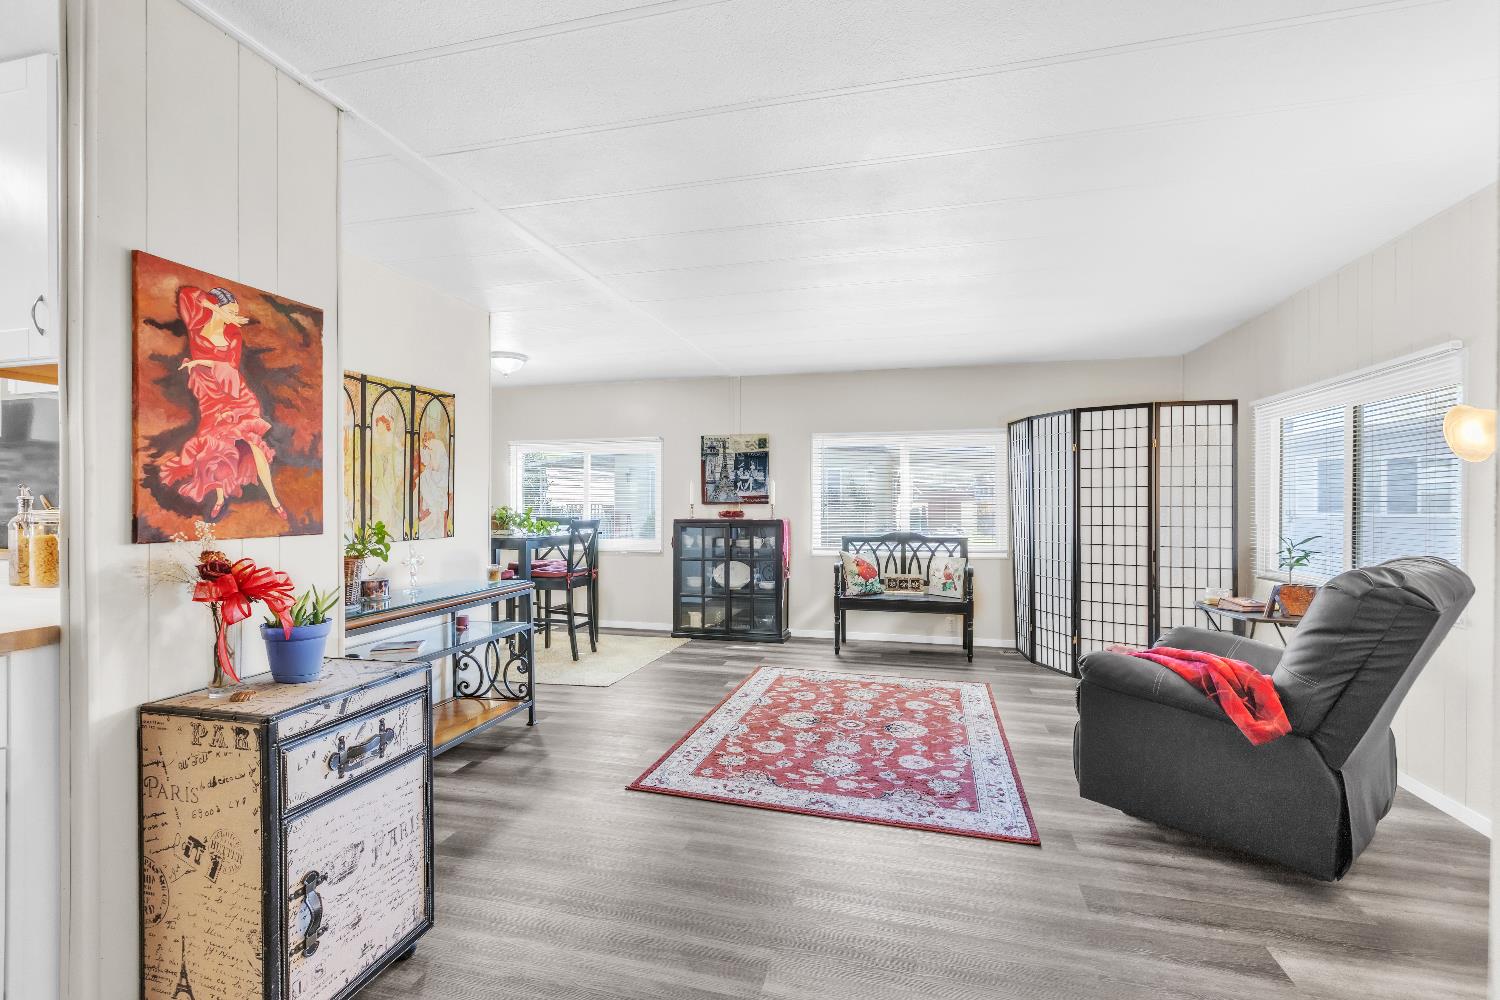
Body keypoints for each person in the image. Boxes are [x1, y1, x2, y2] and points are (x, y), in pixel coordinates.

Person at [159, 285, 287, 522]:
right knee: (215, 449)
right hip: (210, 395)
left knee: (254, 445)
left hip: (234, 394)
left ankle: (273, 498)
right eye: (230, 311)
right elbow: (187, 293)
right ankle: (219, 497)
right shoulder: (197, 326)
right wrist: (212, 306)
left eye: (235, 312)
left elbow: (230, 368)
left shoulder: (233, 336)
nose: (234, 317)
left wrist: (201, 361)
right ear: (216, 308)